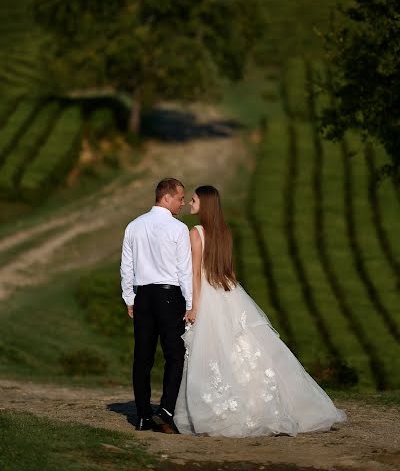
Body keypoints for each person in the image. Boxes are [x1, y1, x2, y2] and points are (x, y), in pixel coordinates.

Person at [174, 185, 346, 437]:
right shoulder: (225, 232)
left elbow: (195, 273)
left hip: (208, 295)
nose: (190, 203)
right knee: (243, 347)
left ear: (205, 204)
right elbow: (228, 272)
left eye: (194, 199)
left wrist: (193, 306)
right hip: (228, 292)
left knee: (211, 350)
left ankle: (219, 407)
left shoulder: (196, 232)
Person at [120, 178, 192, 433]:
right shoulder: (178, 229)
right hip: (170, 295)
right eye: (181, 198)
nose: (183, 203)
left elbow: (126, 266)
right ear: (166, 198)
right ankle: (165, 409)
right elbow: (185, 270)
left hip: (143, 297)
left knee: (143, 357)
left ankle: (142, 416)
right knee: (175, 354)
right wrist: (191, 304)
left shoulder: (133, 226)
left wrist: (130, 298)